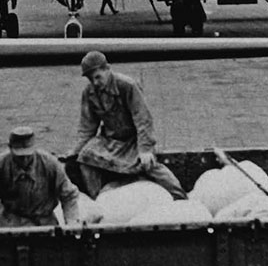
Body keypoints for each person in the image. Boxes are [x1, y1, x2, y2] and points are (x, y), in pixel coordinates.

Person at [70, 51, 187, 200]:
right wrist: (76, 151)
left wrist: (145, 149)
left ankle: (181, 196)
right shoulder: (89, 92)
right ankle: (98, 200)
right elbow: (87, 126)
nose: (95, 83)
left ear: (107, 69)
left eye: (97, 77)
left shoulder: (127, 86)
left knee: (149, 165)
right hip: (109, 142)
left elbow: (143, 119)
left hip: (133, 141)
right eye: (90, 79)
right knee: (85, 157)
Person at [0, 127, 80, 227]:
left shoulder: (50, 164)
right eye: (20, 156)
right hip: (11, 223)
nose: (25, 160)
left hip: (44, 222)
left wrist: (72, 223)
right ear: (10, 148)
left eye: (28, 155)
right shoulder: (0, 165)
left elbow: (69, 196)